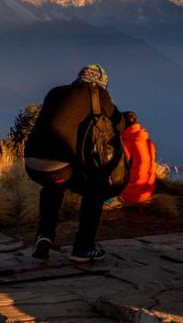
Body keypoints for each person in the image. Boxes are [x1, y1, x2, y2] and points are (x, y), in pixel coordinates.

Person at [24, 64, 127, 263]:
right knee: (95, 192)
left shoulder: (55, 92)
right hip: (62, 166)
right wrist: (129, 119)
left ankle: (44, 236)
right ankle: (83, 248)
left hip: (32, 163)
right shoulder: (98, 95)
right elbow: (118, 123)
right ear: (100, 83)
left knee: (52, 186)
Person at [119, 111, 156, 206]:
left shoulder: (126, 144)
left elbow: (116, 170)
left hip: (129, 196)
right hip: (147, 192)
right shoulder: (149, 142)